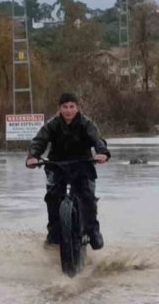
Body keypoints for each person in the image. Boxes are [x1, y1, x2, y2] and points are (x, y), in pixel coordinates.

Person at [25, 93, 110, 249]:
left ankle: (93, 231)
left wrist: (102, 153)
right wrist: (33, 156)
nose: (68, 110)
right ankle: (54, 233)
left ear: (77, 108)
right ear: (60, 108)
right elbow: (39, 141)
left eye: (72, 107)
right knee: (52, 197)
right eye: (65, 107)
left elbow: (97, 140)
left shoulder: (86, 124)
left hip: (82, 163)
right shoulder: (52, 124)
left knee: (87, 197)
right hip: (57, 164)